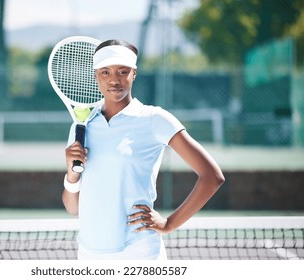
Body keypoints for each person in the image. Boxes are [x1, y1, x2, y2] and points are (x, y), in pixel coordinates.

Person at [62, 39, 225, 260]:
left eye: (122, 71)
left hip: (139, 252)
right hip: (90, 254)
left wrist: (168, 224)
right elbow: (74, 209)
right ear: (95, 76)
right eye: (105, 72)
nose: (114, 80)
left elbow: (212, 176)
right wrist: (72, 175)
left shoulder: (154, 119)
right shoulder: (81, 128)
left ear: (134, 73)